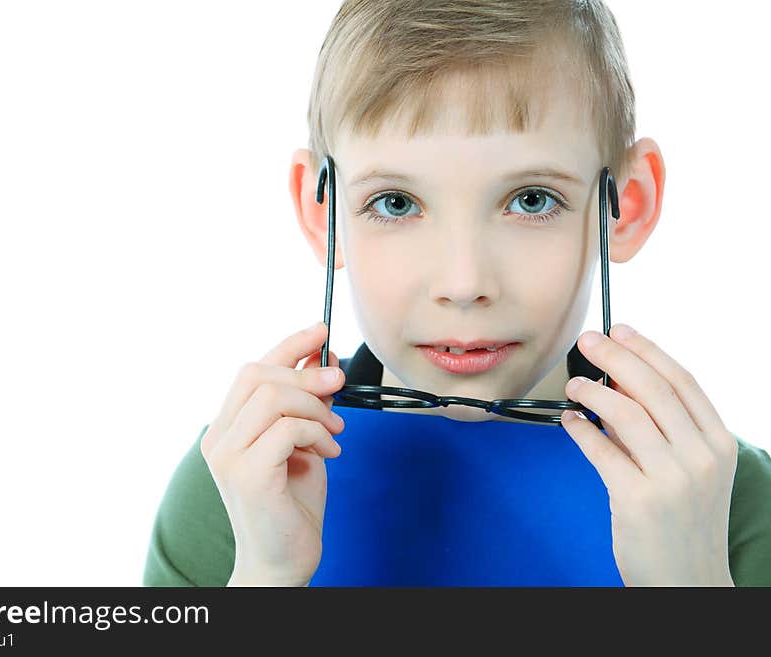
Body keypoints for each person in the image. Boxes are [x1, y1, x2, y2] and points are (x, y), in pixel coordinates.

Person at [142, 0, 771, 587]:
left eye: (531, 200)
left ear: (624, 206)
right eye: (395, 203)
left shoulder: (727, 503)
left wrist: (693, 588)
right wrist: (264, 576)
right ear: (322, 213)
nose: (464, 284)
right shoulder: (237, 485)